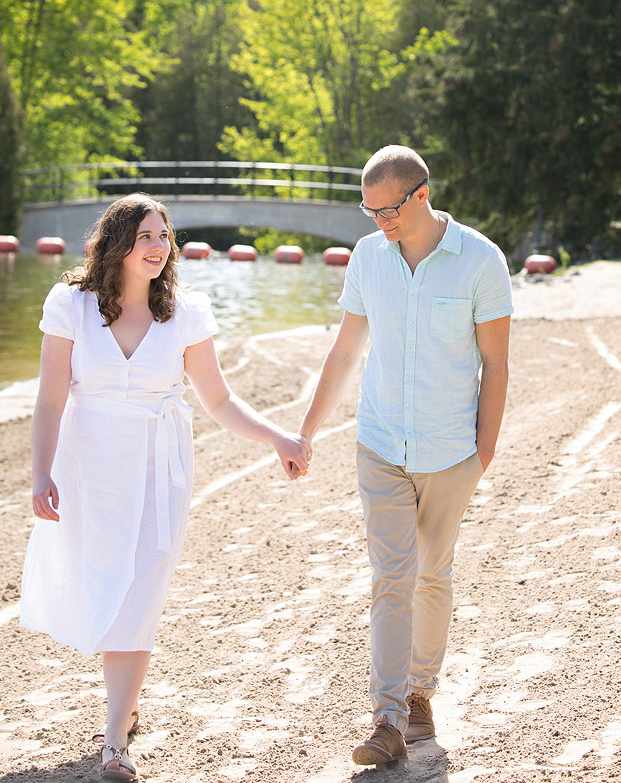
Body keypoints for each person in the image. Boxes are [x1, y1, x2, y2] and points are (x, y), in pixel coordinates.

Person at [20, 194, 311, 781]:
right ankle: (123, 711)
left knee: (140, 593)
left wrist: (278, 438)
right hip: (90, 465)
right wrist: (41, 472)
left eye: (163, 236)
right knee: (103, 583)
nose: (157, 247)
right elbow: (50, 398)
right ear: (118, 243)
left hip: (161, 467)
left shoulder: (185, 313)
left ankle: (114, 742)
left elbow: (220, 401)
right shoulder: (72, 305)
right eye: (145, 236)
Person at [299, 145, 513, 767]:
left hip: (452, 450)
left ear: (422, 194)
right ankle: (388, 716)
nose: (380, 223)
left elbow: (496, 362)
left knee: (432, 575)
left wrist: (486, 449)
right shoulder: (368, 257)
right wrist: (309, 430)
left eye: (389, 209)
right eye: (370, 212)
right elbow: (344, 352)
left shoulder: (480, 260)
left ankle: (422, 692)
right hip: (381, 443)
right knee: (391, 577)